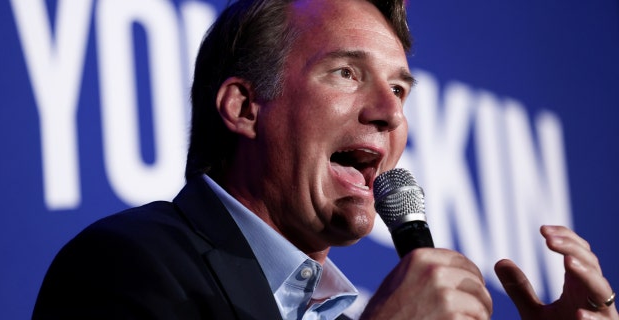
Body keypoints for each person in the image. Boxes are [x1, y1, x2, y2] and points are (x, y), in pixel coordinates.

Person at [32, 0, 617, 319]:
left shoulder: (340, 310)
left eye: (401, 90)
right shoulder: (124, 267)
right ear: (243, 107)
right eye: (347, 72)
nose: (390, 111)